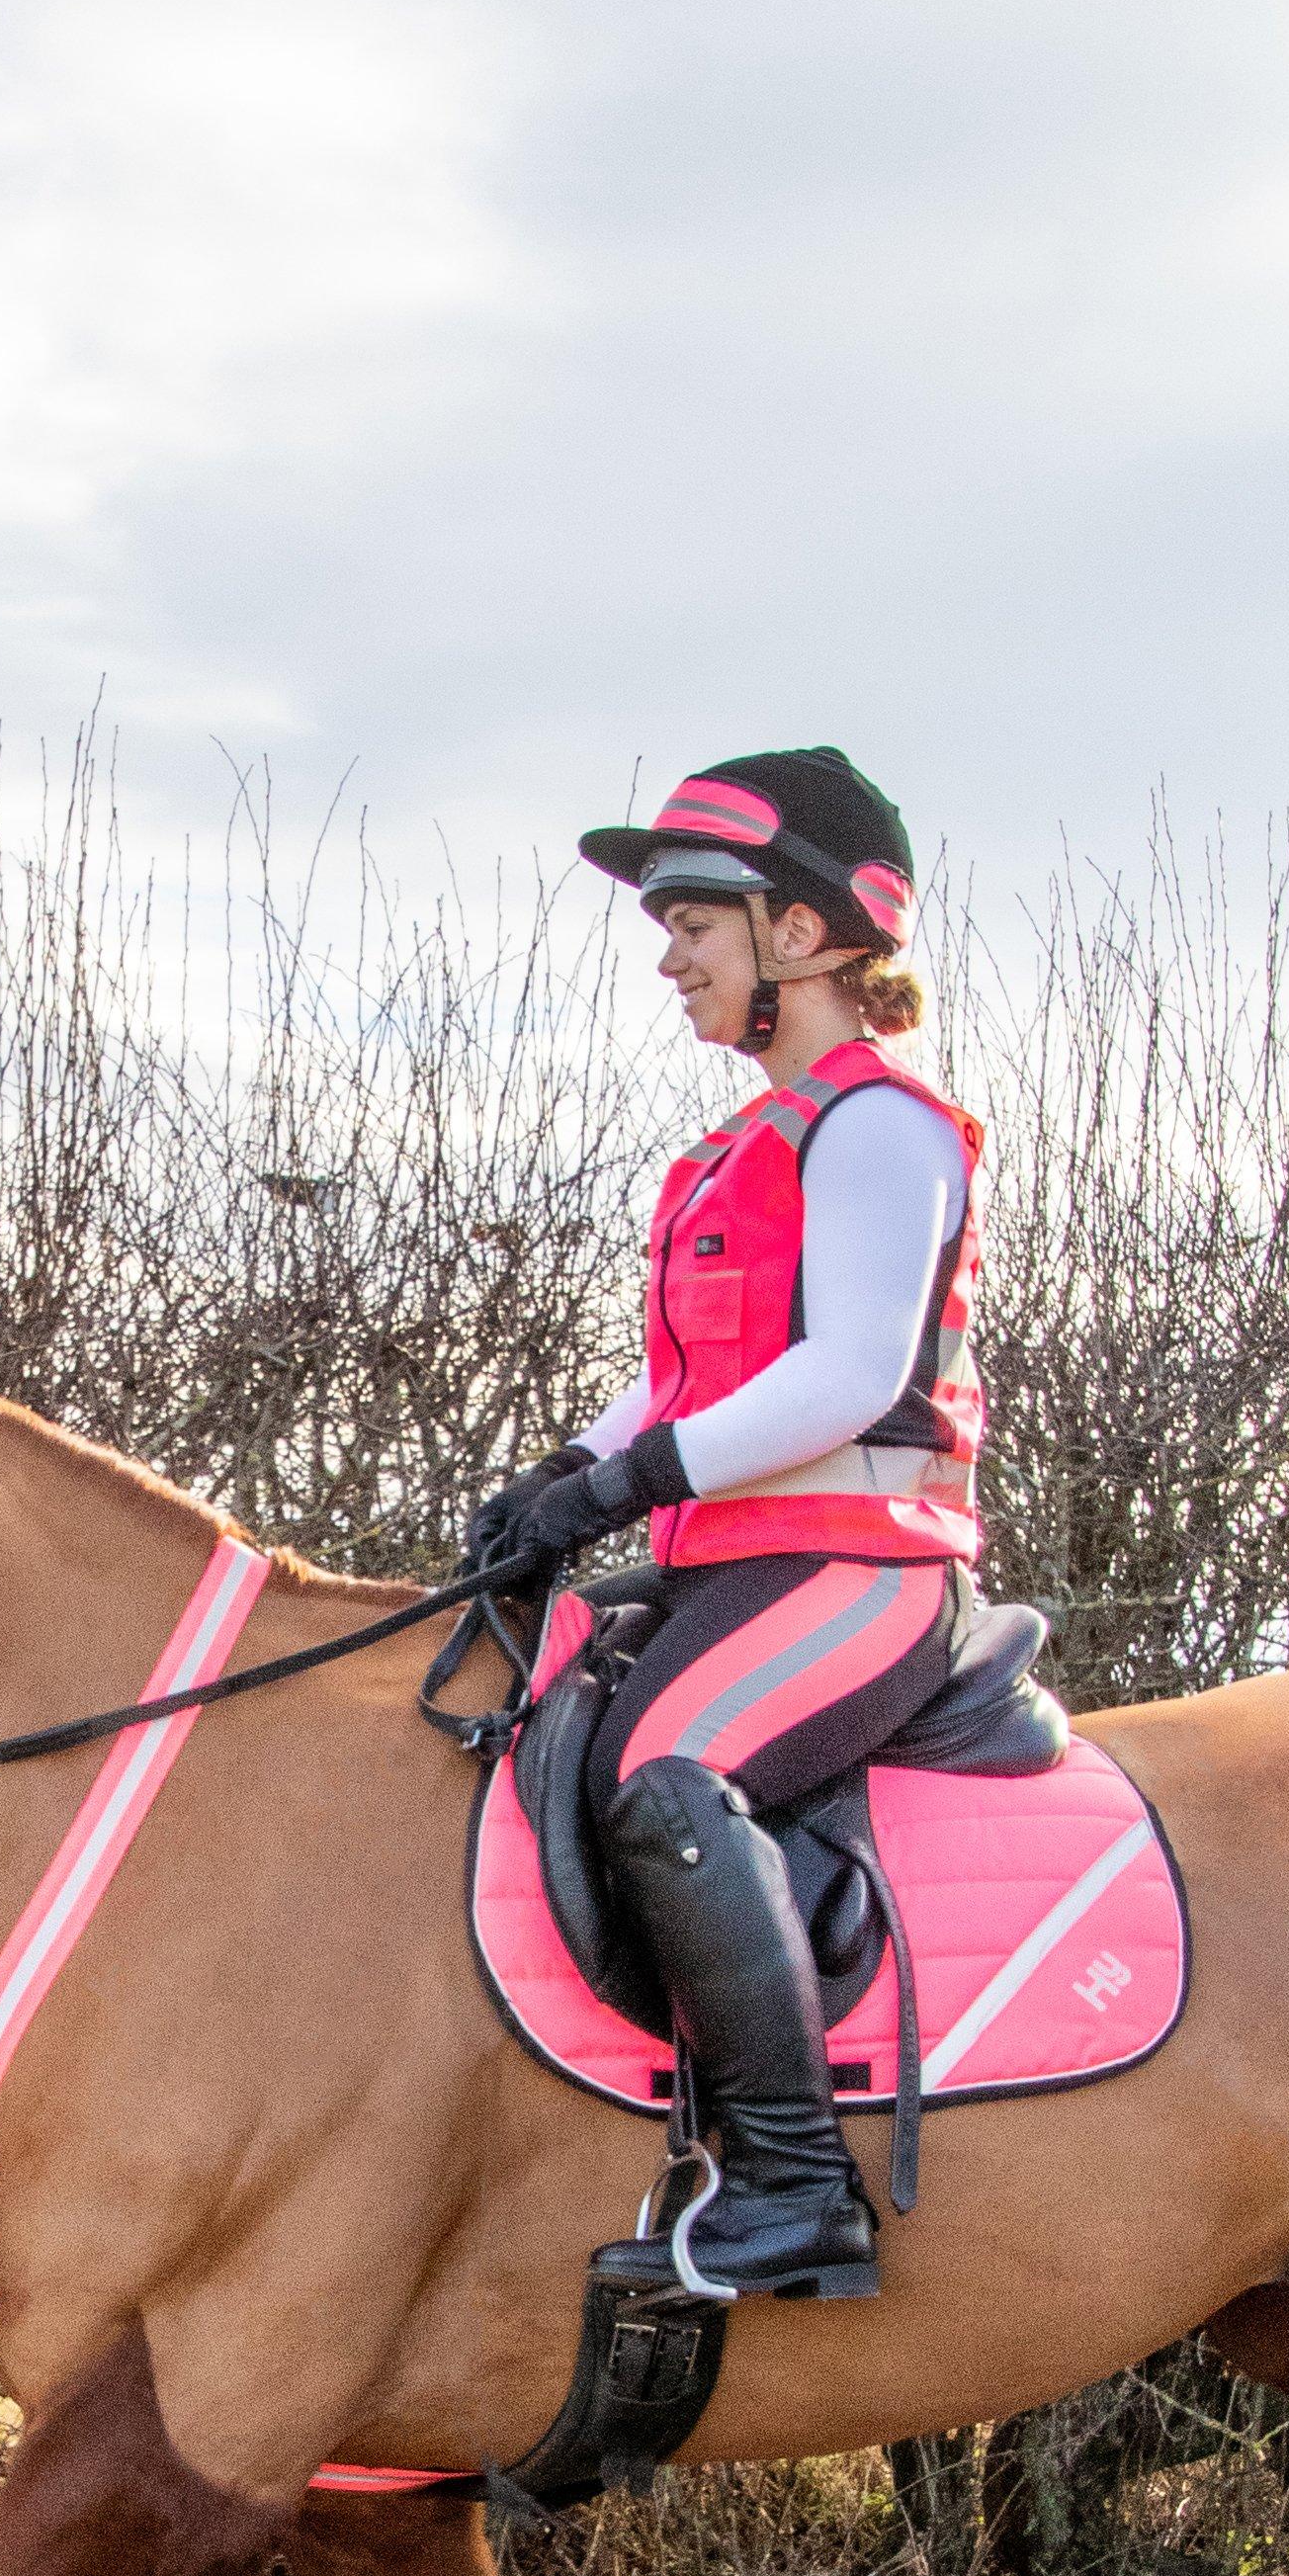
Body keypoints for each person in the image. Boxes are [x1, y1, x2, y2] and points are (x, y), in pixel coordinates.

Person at [463, 747, 986, 2301]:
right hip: (735, 1564)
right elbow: (694, 1376)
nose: (670, 956)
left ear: (809, 936)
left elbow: (849, 1373)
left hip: (867, 1572)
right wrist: (569, 1467)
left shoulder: (882, 1127)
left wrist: (637, 1478)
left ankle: (793, 2182)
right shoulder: (733, 1151)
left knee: (667, 1777)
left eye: (698, 920)